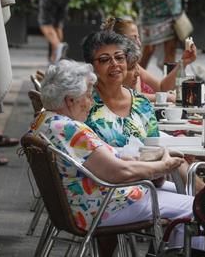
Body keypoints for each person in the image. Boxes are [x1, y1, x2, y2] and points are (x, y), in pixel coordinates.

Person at [30, 60, 193, 246]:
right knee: (193, 207)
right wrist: (163, 166)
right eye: (88, 96)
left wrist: (151, 160)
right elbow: (119, 172)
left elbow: (108, 162)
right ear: (70, 100)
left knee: (185, 192)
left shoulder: (45, 121)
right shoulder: (71, 129)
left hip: (84, 204)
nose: (91, 103)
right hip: (103, 206)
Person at [81, 31, 158, 148]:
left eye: (119, 57)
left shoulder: (141, 103)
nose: (114, 63)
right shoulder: (83, 103)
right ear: (91, 66)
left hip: (147, 164)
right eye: (104, 59)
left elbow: (155, 146)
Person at [102, 17, 198, 101]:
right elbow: (132, 97)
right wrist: (166, 97)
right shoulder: (116, 68)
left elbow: (161, 87)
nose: (139, 43)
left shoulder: (134, 65)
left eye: (138, 37)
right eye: (134, 38)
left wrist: (184, 62)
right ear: (119, 40)